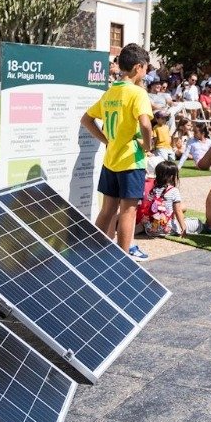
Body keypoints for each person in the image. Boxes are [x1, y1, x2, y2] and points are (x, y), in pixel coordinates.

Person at [81, 42, 153, 260]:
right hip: (131, 161)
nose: (146, 73)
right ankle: (122, 261)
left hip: (111, 160)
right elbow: (146, 125)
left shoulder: (110, 92)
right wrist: (147, 146)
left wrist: (106, 140)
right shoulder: (137, 93)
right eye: (146, 68)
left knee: (107, 211)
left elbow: (86, 119)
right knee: (128, 212)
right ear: (138, 67)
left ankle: (94, 255)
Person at [140, 161, 190, 237]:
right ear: (172, 176)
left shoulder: (153, 189)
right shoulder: (174, 191)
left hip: (150, 228)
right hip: (166, 228)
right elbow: (178, 210)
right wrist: (183, 228)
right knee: (196, 223)